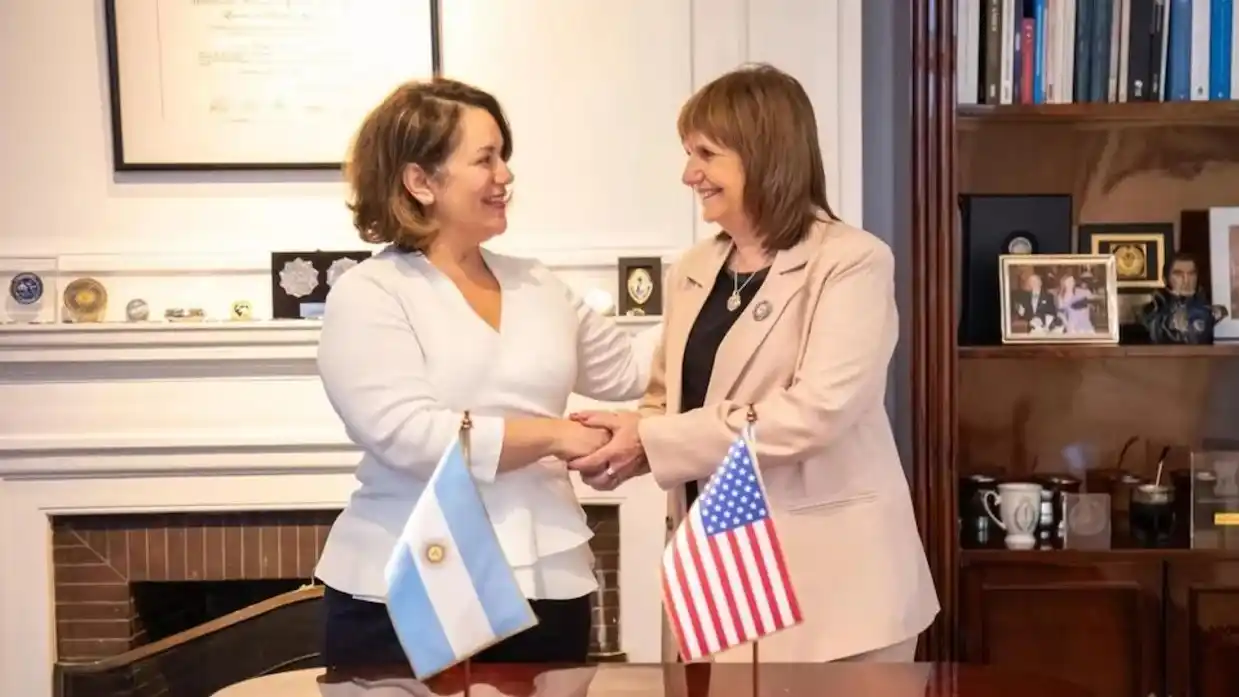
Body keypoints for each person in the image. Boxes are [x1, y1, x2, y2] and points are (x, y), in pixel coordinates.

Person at [566, 64, 940, 663]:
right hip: (713, 579)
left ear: (764, 154)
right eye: (689, 154)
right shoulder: (692, 268)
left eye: (706, 155)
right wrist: (625, 445)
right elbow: (666, 403)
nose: (689, 174)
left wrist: (653, 438)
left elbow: (815, 414)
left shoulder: (852, 262)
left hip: (832, 595)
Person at [313, 77, 648, 674]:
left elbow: (632, 372)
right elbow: (410, 436)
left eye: (504, 157)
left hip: (549, 582)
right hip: (409, 583)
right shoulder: (370, 294)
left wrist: (729, 278)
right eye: (485, 159)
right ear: (421, 181)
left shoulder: (538, 283)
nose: (505, 176)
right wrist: (551, 435)